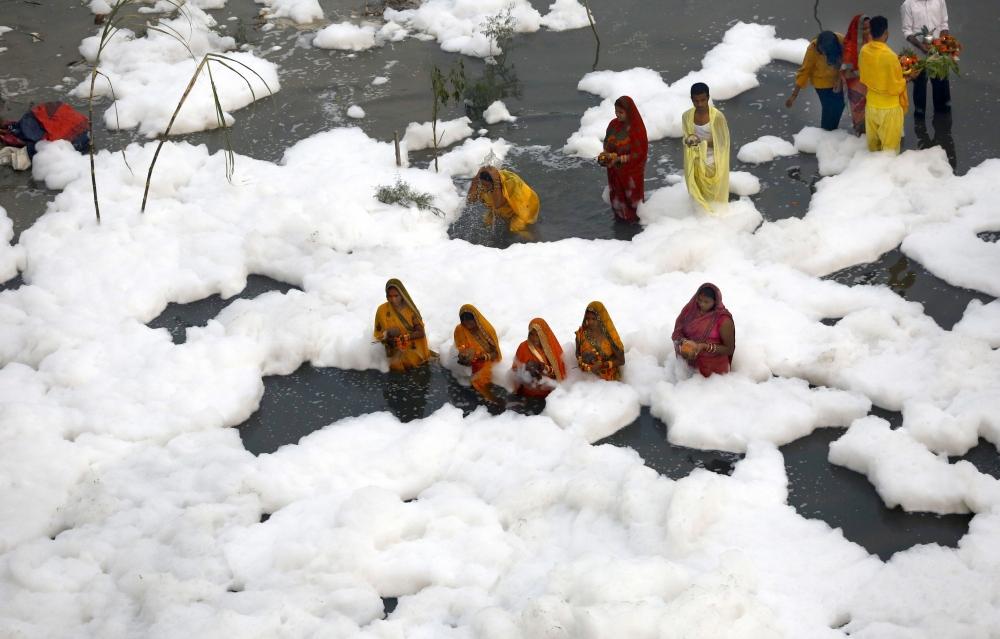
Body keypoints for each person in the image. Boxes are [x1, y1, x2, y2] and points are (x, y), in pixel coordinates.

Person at [860, 15, 909, 153]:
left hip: (871, 107)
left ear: (870, 32)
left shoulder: (864, 51)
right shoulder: (890, 56)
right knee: (889, 152)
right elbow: (895, 86)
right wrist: (908, 78)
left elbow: (864, 75)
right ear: (886, 33)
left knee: (873, 149)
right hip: (889, 110)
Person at [598, 96, 648, 223]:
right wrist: (606, 155)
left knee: (631, 201)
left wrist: (619, 159)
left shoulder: (636, 129)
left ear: (629, 112)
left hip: (630, 174)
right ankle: (620, 220)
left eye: (621, 112)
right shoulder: (613, 125)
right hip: (615, 171)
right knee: (617, 199)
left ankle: (634, 224)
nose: (618, 115)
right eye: (616, 112)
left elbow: (639, 154)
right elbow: (607, 142)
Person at [682, 83, 730, 213]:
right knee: (698, 194)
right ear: (691, 99)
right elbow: (687, 137)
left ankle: (715, 216)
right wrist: (688, 141)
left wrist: (700, 142)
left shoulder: (717, 117)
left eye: (703, 100)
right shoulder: (686, 116)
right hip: (695, 159)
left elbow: (722, 143)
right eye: (696, 101)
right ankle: (700, 215)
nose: (700, 104)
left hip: (713, 162)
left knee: (712, 195)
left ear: (708, 98)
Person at [786, 31, 846, 131]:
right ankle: (826, 132)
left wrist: (839, 81)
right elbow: (804, 71)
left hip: (838, 79)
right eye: (821, 52)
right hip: (822, 84)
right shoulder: (813, 48)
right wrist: (794, 95)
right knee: (829, 108)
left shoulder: (841, 41)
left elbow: (846, 61)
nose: (823, 54)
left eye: (826, 52)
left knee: (839, 105)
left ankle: (832, 130)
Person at [672, 283, 735, 377]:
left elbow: (729, 349)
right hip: (689, 366)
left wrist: (704, 347)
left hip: (715, 373)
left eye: (706, 302)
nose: (701, 304)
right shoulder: (690, 311)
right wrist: (684, 342)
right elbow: (678, 332)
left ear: (715, 302)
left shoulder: (723, 320)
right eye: (699, 300)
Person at [902, 0, 951, 116]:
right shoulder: (907, 4)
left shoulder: (939, 1)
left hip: (937, 51)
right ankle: (919, 116)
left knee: (940, 82)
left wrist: (941, 43)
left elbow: (944, 24)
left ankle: (940, 117)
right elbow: (907, 31)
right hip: (917, 53)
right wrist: (921, 46)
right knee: (919, 85)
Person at [373, 278, 432, 372]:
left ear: (402, 295)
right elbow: (378, 333)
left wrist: (406, 337)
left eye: (396, 296)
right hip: (393, 348)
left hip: (412, 347)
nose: (393, 299)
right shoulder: (382, 310)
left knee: (409, 366)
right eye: (390, 296)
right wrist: (387, 338)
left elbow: (421, 333)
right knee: (395, 367)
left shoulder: (410, 311)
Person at [466, 166, 539, 234]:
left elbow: (498, 204)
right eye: (482, 184)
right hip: (502, 207)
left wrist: (496, 183)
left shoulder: (510, 182)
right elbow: (470, 200)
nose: (483, 187)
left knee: (516, 228)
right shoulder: (484, 182)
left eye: (486, 185)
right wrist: (475, 181)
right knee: (487, 223)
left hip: (525, 208)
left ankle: (534, 241)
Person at [453, 304, 502, 403]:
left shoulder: (487, 330)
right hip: (471, 360)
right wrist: (463, 354)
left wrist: (483, 356)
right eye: (464, 319)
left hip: (487, 360)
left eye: (469, 319)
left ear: (476, 318)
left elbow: (495, 353)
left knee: (478, 381)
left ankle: (491, 401)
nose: (467, 322)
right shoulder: (460, 329)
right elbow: (461, 345)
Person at [512, 318, 566, 398]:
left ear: (544, 334)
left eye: (537, 335)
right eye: (531, 334)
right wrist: (525, 369)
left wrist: (543, 368)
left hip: (548, 393)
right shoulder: (523, 347)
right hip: (527, 392)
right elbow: (514, 371)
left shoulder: (551, 349)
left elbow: (559, 374)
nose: (533, 338)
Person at [575, 302, 625, 381]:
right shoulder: (581, 334)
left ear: (600, 319)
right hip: (586, 379)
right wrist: (583, 363)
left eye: (594, 319)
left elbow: (621, 360)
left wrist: (603, 365)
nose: (590, 322)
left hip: (609, 381)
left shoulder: (610, 337)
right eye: (587, 318)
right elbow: (578, 353)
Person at [842, 14, 872, 135]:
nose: (868, 31)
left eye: (870, 27)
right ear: (856, 30)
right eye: (864, 29)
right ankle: (861, 139)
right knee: (860, 115)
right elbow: (847, 73)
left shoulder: (871, 40)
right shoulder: (850, 48)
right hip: (857, 88)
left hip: (870, 85)